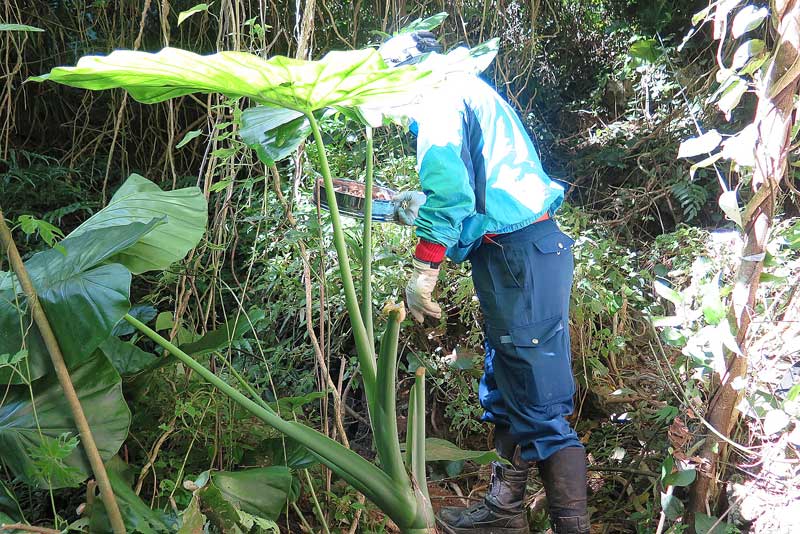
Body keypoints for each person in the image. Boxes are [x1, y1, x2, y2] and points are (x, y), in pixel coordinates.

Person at [381, 31, 590, 534]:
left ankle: (573, 526)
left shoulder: (437, 99)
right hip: (514, 256)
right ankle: (503, 514)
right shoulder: (466, 89)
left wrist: (425, 268)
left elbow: (449, 190)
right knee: (507, 387)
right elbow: (480, 193)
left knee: (539, 405)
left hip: (520, 256)